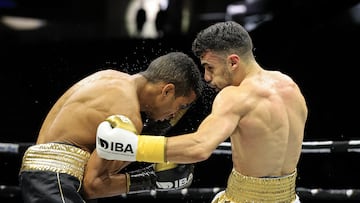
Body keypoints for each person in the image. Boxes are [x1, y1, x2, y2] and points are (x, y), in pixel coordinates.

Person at [96, 21, 308, 203]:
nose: (206, 77)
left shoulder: (235, 96)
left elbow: (200, 147)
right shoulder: (290, 87)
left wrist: (132, 147)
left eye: (210, 67)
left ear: (233, 61)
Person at [18, 51, 204, 203]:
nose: (173, 115)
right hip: (57, 180)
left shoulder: (107, 77)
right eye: (180, 106)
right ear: (167, 90)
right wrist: (151, 179)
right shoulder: (128, 115)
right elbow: (94, 185)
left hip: (44, 177)